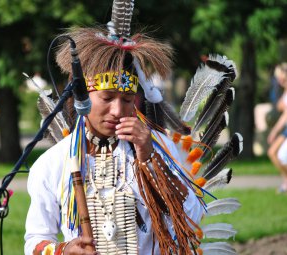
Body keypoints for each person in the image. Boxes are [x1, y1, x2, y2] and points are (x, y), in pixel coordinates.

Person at [24, 2, 204, 255]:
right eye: (107, 98)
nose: (119, 111)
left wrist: (149, 158)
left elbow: (192, 216)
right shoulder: (54, 163)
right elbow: (35, 240)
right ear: (81, 97)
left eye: (127, 100)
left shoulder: (157, 147)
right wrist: (63, 250)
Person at [267, 63, 287, 193]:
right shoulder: (284, 90)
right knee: (273, 153)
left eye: (281, 76)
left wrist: (274, 131)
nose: (279, 79)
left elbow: (285, 114)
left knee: (280, 155)